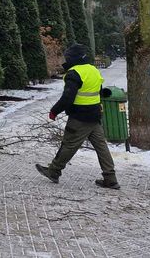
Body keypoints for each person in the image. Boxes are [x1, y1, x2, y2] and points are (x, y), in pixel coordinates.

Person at [35, 43, 120, 189]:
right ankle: (110, 177)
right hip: (94, 115)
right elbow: (98, 92)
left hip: (79, 117)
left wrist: (54, 111)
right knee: (101, 147)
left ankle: (54, 171)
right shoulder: (93, 70)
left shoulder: (74, 73)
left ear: (72, 58)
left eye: (67, 56)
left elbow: (68, 97)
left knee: (69, 144)